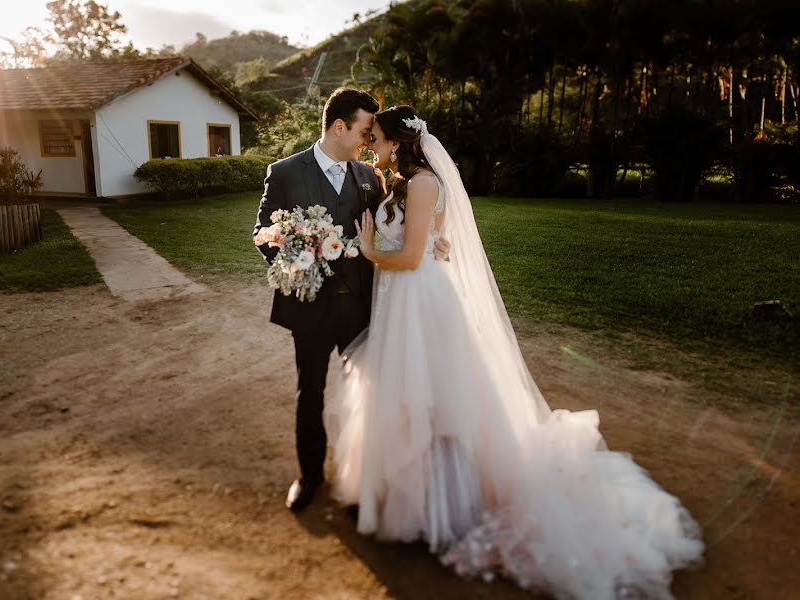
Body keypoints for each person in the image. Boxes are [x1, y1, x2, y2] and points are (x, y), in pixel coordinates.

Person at [323, 105, 704, 599]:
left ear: (398, 141)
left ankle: (444, 504)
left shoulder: (423, 184)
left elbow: (412, 255)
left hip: (421, 304)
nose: (369, 142)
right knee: (403, 395)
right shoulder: (401, 182)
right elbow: (430, 243)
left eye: (375, 136)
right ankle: (407, 495)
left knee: (434, 398)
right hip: (401, 302)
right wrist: (419, 242)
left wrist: (372, 249)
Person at [253, 89, 450, 511]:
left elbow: (399, 222)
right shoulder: (285, 172)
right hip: (309, 305)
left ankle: (362, 478)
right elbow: (263, 233)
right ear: (339, 126)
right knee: (311, 392)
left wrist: (436, 239)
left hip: (364, 305)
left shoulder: (368, 176)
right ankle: (309, 477)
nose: (367, 139)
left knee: (369, 394)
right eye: (364, 130)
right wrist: (300, 259)